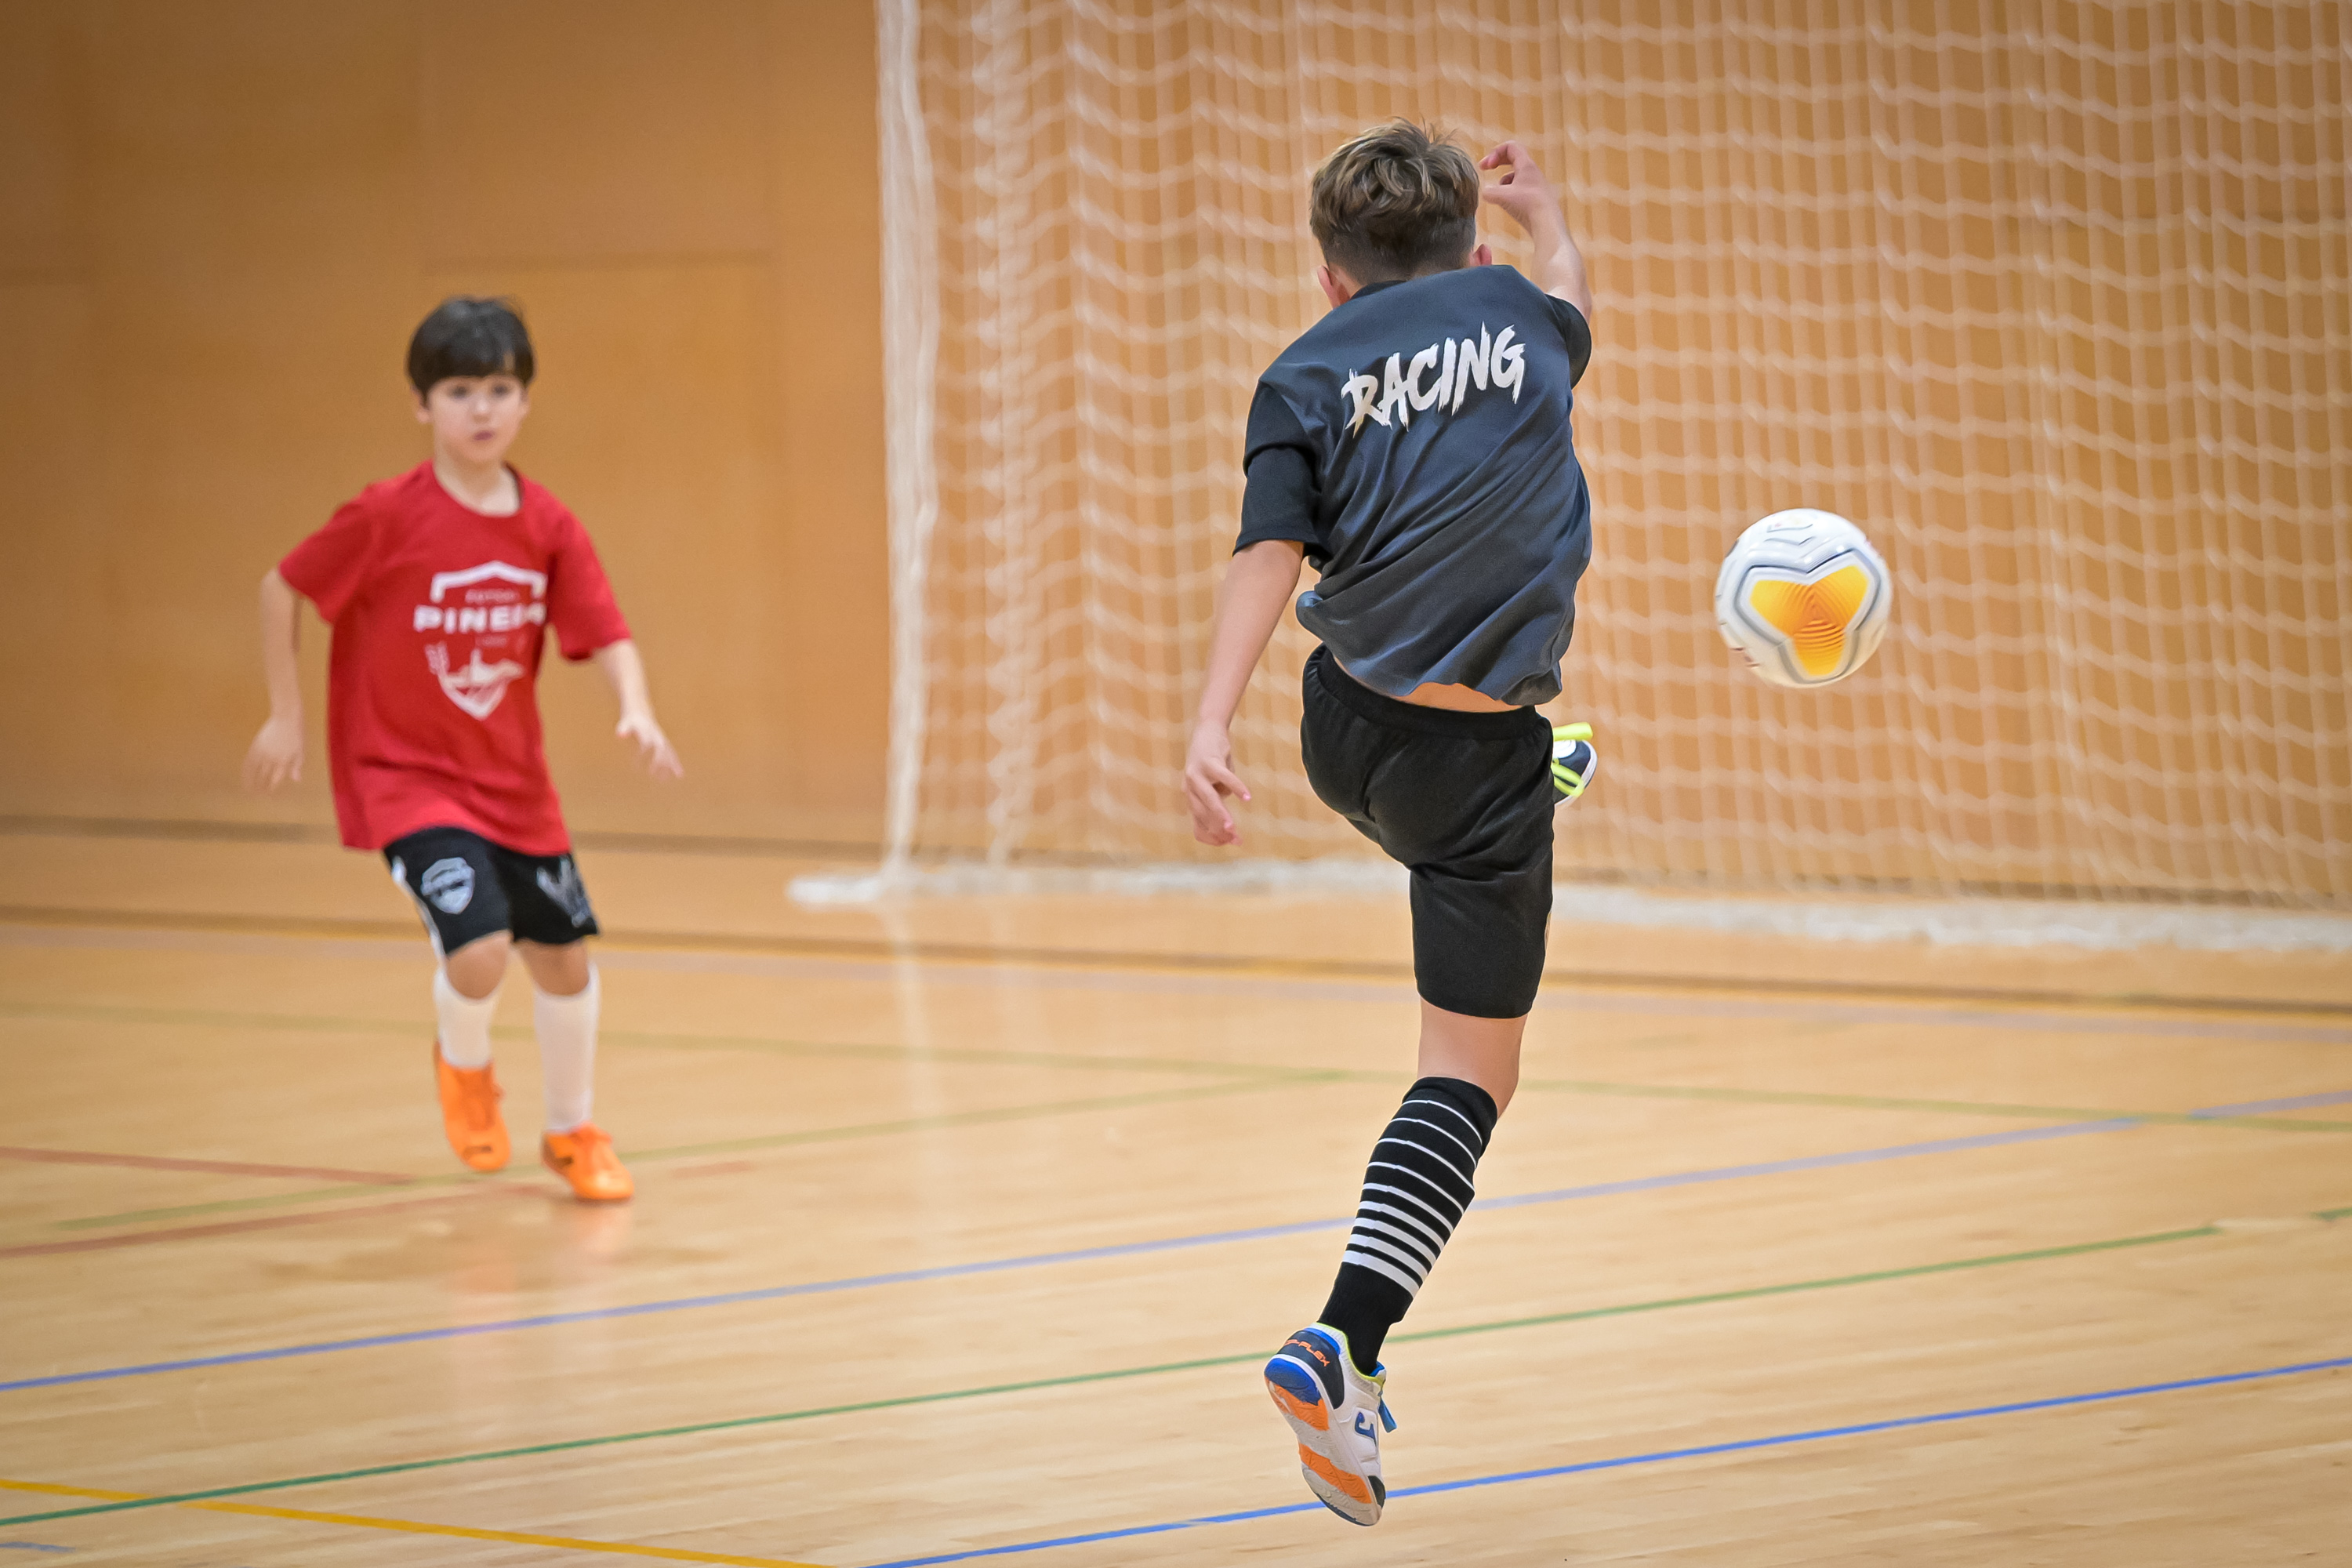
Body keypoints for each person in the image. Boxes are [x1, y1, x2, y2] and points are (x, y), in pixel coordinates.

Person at [1182, 122, 1598, 1525]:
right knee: (1470, 1077)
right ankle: (1341, 1344)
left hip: (1341, 733)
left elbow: (1267, 551)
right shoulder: (1525, 318)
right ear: (1472, 249)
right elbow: (1572, 294)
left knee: (1501, 788)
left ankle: (1546, 779)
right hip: (1475, 768)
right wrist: (1548, 220)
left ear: (1328, 278)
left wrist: (1208, 724)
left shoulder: (1300, 374)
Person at [244, 296, 682, 1203]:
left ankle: (572, 1129)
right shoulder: (384, 515)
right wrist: (285, 714)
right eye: (457, 391)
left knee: (564, 961)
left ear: (525, 401)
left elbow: (604, 627)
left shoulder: (547, 524)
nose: (481, 409)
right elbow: (281, 587)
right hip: (405, 778)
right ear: (421, 404)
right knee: (479, 949)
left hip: (515, 784)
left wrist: (636, 706)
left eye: (498, 389)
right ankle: (466, 1064)